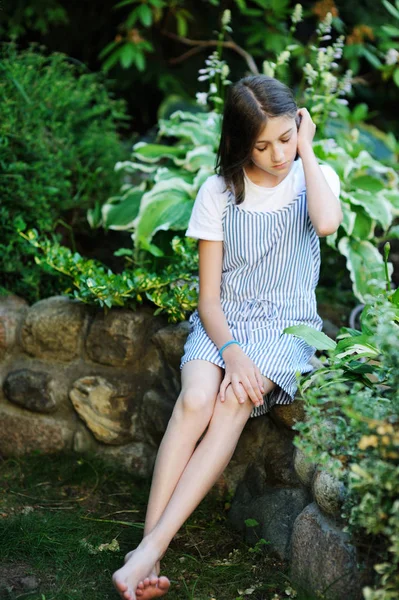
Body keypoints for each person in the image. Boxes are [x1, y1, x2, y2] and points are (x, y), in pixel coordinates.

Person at [112, 74, 343, 600]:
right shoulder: (218, 192)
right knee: (196, 398)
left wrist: (306, 148)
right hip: (226, 325)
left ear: (298, 128)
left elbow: (327, 224)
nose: (277, 154)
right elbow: (209, 301)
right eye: (262, 145)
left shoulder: (311, 176)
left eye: (285, 137)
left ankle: (147, 552)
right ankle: (151, 554)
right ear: (241, 143)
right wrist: (232, 352)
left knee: (234, 399)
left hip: (285, 328)